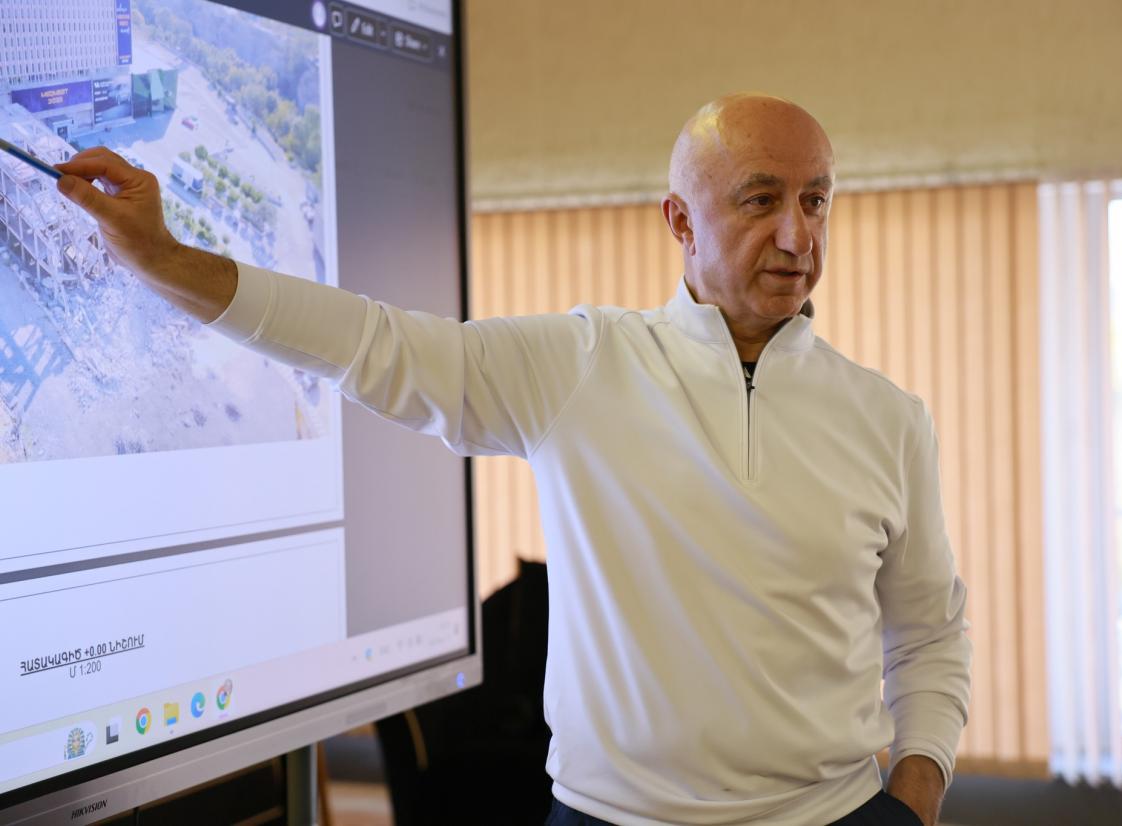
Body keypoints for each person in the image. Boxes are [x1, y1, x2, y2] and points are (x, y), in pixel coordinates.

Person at [55, 93, 970, 826]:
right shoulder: (582, 365)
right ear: (680, 221)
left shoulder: (889, 419)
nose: (798, 235)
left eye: (816, 200)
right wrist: (165, 259)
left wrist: (916, 791)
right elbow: (370, 343)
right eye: (761, 199)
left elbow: (929, 633)